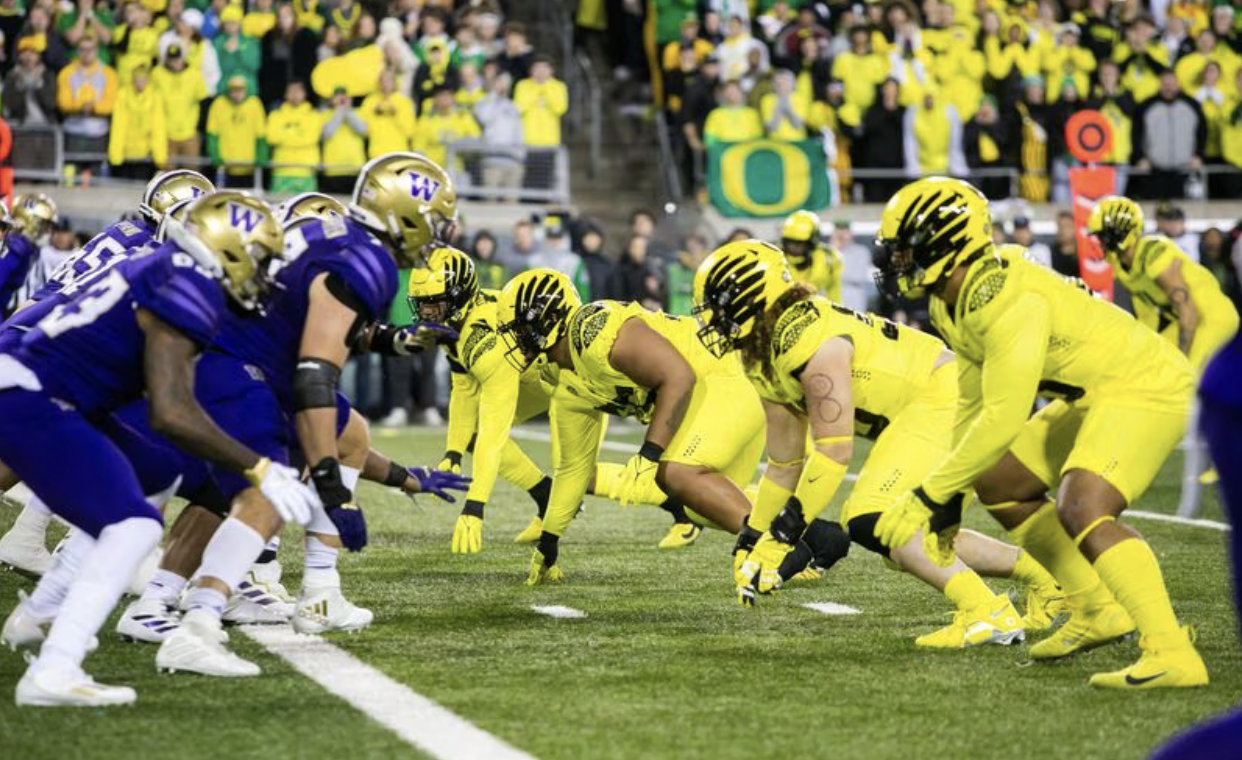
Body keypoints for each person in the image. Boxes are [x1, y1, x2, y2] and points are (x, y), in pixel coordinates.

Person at [874, 176, 1208, 689]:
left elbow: (1006, 415)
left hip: (1144, 383)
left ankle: (1170, 651)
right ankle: (1097, 609)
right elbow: (971, 401)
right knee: (1001, 483)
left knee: (1084, 506)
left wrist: (926, 495)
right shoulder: (949, 298)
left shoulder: (1005, 298)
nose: (897, 262)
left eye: (906, 250)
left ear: (946, 245)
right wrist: (951, 502)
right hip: (1092, 391)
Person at [0, 191, 316, 706]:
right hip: (35, 394)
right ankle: (55, 668)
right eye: (260, 256)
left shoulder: (166, 265)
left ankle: (40, 611)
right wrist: (260, 467)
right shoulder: (187, 282)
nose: (265, 273)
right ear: (229, 249)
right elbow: (171, 411)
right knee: (135, 525)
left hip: (49, 388)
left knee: (155, 472)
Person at [152, 153, 462, 674]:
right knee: (269, 490)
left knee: (351, 432)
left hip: (233, 355)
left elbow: (324, 319)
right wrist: (332, 489)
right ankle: (197, 621)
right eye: (433, 219)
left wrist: (395, 340)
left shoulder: (335, 235)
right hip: (236, 365)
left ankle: (319, 594)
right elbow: (314, 378)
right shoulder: (367, 263)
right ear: (405, 216)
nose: (438, 232)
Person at [694, 240, 1059, 640]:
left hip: (944, 396)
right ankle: (1051, 581)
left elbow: (834, 449)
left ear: (748, 296)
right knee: (921, 539)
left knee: (875, 518)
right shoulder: (761, 352)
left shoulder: (805, 340)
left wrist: (783, 537)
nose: (712, 321)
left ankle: (987, 612)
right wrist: (751, 538)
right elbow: (783, 464)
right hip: (931, 403)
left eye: (718, 307)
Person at [0, 172, 213, 576]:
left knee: (74, 432)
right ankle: (86, 547)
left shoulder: (122, 233)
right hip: (51, 346)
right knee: (132, 432)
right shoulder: (153, 253)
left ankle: (33, 538)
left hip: (31, 332)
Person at [497, 269, 767, 584]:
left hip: (725, 374)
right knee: (700, 508)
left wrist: (649, 454)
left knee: (677, 472)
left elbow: (678, 376)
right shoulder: (560, 378)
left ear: (545, 318)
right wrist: (549, 542)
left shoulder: (592, 327)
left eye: (518, 329)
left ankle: (775, 552)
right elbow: (573, 469)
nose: (513, 340)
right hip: (712, 395)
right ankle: (813, 537)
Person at [408, 247, 559, 551]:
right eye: (421, 304)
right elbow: (463, 389)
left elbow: (493, 429)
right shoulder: (456, 323)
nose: (426, 313)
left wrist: (474, 507)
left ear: (459, 296)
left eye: (434, 303)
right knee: (475, 434)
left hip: (566, 383)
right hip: (535, 380)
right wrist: (453, 453)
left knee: (584, 477)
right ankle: (545, 496)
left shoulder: (483, 338)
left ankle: (680, 511)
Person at [1132, 71, 1207, 200]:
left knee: (1184, 210)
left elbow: (1202, 132)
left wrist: (1199, 155)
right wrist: (1140, 157)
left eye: (1172, 83)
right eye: (1165, 84)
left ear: (1178, 84)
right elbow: (1136, 134)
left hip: (1185, 170)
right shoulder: (1146, 106)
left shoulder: (1192, 105)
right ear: (1159, 85)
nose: (1168, 87)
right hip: (1154, 170)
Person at [56, 37, 117, 155]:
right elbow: (63, 102)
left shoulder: (109, 74)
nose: (86, 53)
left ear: (97, 50)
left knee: (95, 172)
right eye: (83, 49)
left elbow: (110, 104)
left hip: (98, 132)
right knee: (70, 171)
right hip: (72, 131)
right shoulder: (66, 73)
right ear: (77, 51)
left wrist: (93, 108)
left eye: (90, 49)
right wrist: (82, 106)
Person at [0, 194, 57, 316]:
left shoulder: (27, 249)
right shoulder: (15, 247)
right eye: (44, 226)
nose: (48, 232)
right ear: (29, 221)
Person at [152, 45, 208, 170]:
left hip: (189, 132)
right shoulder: (157, 74)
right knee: (168, 173)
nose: (174, 63)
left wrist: (198, 127)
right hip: (166, 132)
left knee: (191, 173)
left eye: (177, 59)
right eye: (171, 59)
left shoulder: (194, 74)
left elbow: (203, 101)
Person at [206, 75, 268, 188]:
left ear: (246, 90)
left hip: (249, 166)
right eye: (234, 90)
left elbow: (261, 134)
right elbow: (212, 133)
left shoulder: (254, 104)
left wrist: (261, 155)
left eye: (240, 90)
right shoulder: (219, 104)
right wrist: (214, 154)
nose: (237, 94)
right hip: (225, 166)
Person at [108, 65, 167, 179]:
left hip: (147, 154)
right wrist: (115, 154)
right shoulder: (123, 94)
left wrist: (160, 156)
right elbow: (118, 126)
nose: (140, 84)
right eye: (137, 80)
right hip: (125, 153)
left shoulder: (155, 96)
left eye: (143, 80)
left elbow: (158, 128)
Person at [266, 80, 320, 193]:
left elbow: (311, 138)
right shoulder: (275, 115)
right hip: (282, 171)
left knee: (306, 209)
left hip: (305, 172)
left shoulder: (314, 115)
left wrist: (285, 134)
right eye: (292, 91)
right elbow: (272, 137)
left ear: (305, 94)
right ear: (285, 94)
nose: (295, 94)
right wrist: (298, 134)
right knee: (279, 208)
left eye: (298, 90)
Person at [779, 209, 841, 301]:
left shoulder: (829, 258)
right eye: (790, 243)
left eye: (800, 244)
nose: (793, 248)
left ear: (811, 242)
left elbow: (834, 291)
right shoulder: (775, 258)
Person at [319, 86, 368, 194]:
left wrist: (348, 111)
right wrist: (340, 111)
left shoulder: (359, 112)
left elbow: (363, 131)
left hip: (355, 168)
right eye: (338, 96)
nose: (341, 99)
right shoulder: (324, 114)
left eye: (344, 96)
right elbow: (327, 134)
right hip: (333, 169)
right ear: (331, 99)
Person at [358, 70, 416, 158]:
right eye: (382, 81)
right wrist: (374, 113)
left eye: (388, 81)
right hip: (376, 153)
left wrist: (396, 114)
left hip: (399, 152)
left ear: (395, 82)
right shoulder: (369, 101)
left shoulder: (404, 102)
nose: (385, 84)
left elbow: (410, 131)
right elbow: (363, 130)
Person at [3, 37, 56, 126]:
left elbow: (50, 104)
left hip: (44, 125)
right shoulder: (12, 76)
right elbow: (10, 105)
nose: (28, 56)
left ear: (38, 56)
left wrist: (38, 82)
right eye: (24, 52)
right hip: (20, 126)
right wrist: (20, 83)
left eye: (32, 52)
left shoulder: (47, 75)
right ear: (19, 56)